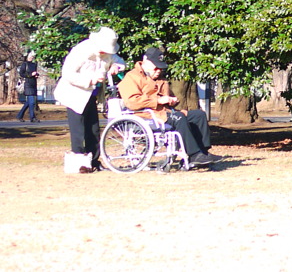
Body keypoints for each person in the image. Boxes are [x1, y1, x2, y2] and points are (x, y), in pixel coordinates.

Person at [117, 46, 224, 167]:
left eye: (160, 68)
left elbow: (168, 97)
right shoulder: (131, 77)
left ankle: (203, 153)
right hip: (146, 116)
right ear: (145, 61)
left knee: (199, 115)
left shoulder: (161, 79)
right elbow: (132, 102)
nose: (158, 70)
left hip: (166, 112)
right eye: (155, 67)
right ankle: (193, 154)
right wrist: (158, 100)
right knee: (178, 117)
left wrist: (173, 100)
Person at [53, 27, 126, 173]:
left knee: (93, 130)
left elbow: (120, 61)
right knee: (78, 130)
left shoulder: (109, 54)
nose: (105, 52)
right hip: (74, 94)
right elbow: (67, 74)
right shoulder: (81, 51)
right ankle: (79, 163)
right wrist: (90, 79)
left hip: (92, 96)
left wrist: (116, 66)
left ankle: (94, 161)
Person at [16, 51, 41, 122]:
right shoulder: (24, 64)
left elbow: (35, 72)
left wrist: (36, 75)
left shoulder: (34, 64)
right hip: (27, 84)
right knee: (32, 102)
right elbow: (21, 74)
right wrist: (30, 75)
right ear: (27, 57)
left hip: (33, 84)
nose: (31, 58)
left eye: (32, 57)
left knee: (29, 102)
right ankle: (32, 118)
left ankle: (19, 115)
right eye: (30, 56)